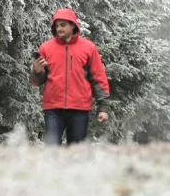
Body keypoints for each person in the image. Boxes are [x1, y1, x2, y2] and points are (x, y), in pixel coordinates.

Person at [29, 8, 110, 145]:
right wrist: (37, 72)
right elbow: (36, 82)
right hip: (53, 108)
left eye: (63, 25)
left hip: (80, 109)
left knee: (77, 151)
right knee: (51, 149)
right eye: (57, 26)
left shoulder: (89, 48)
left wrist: (103, 108)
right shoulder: (45, 48)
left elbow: (98, 78)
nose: (59, 29)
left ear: (73, 25)